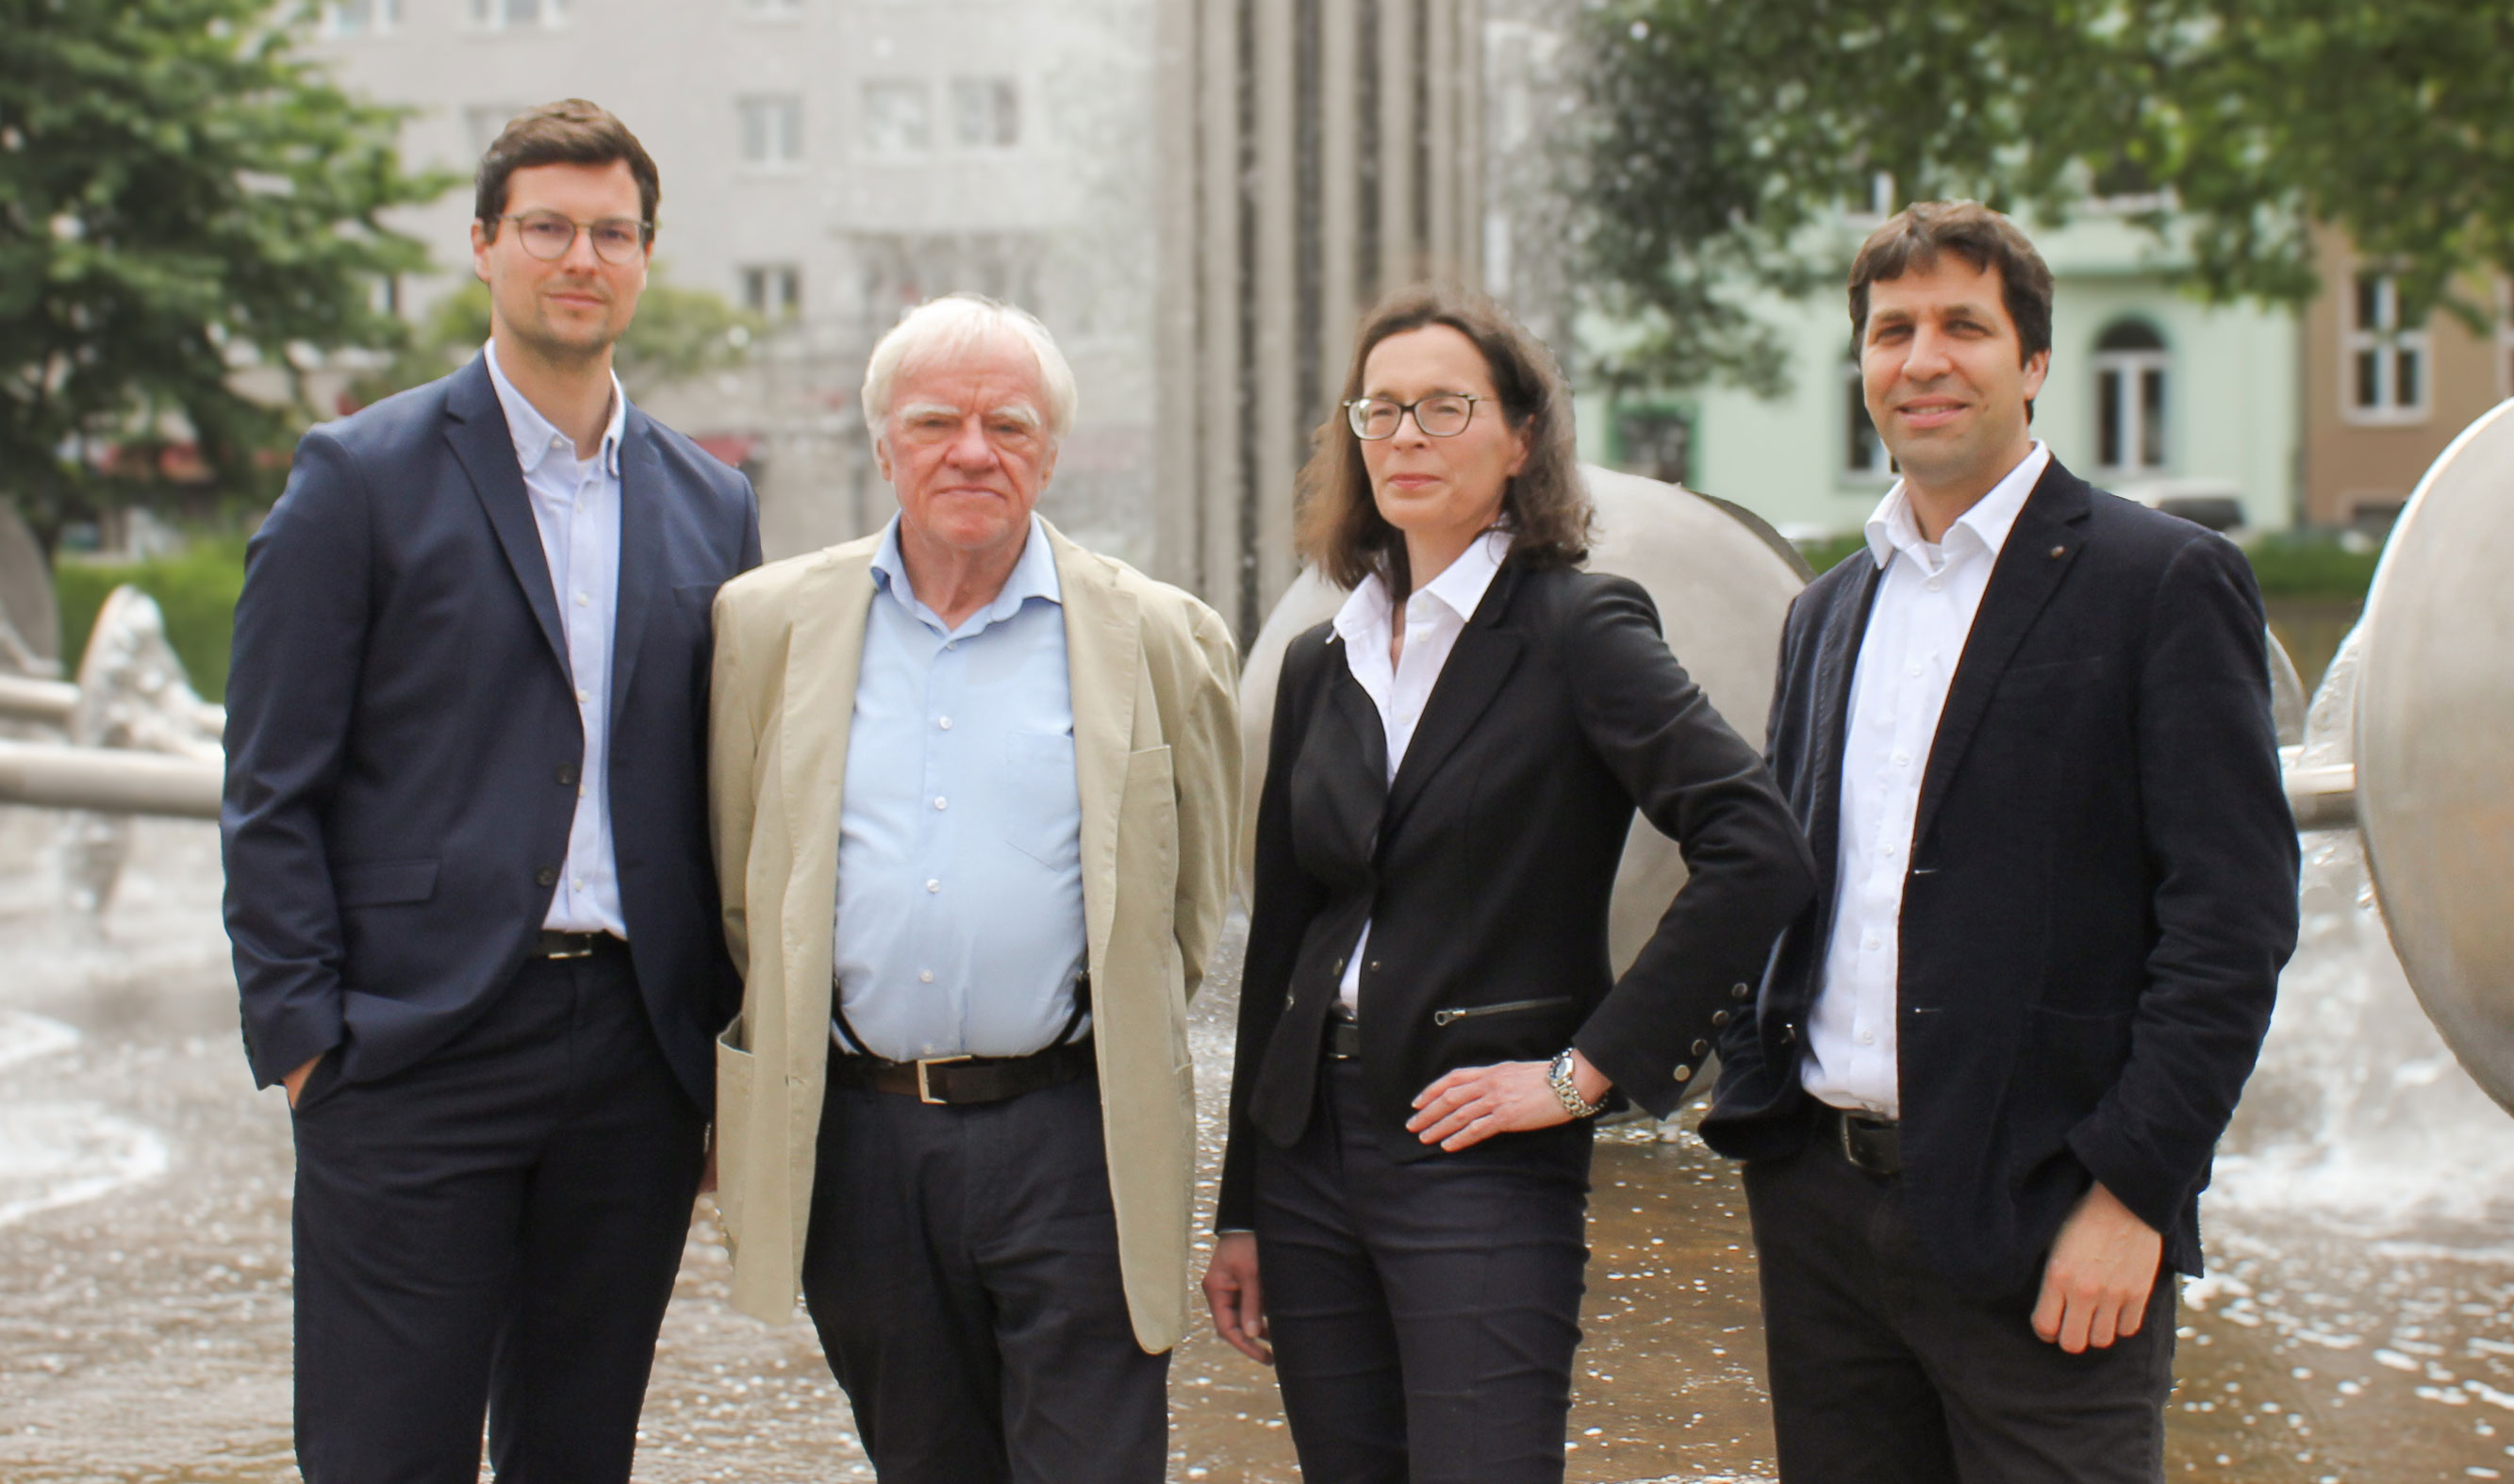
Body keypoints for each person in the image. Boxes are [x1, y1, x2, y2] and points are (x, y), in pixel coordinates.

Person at [1704, 201, 2300, 1481]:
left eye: (1961, 326)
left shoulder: (2160, 581)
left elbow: (2231, 922)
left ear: (2031, 363)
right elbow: (1797, 887)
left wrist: (2134, 1193)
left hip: (2049, 1219)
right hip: (1825, 1219)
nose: (1921, 359)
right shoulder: (1825, 611)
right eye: (1889, 330)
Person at [221, 99, 763, 1482]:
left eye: (611, 232)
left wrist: (712, 1052)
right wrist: (305, 1045)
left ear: (645, 259)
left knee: (576, 1453)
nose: (579, 256)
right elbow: (270, 784)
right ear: (482, 245)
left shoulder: (712, 506)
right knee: (384, 1451)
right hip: (410, 1053)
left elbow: (722, 790)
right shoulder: (359, 479)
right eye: (547, 228)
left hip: (632, 1061)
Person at [1201, 286, 1814, 1484]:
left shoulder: (1580, 627)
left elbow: (1758, 846)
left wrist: (1582, 1073)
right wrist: (1242, 1204)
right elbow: (1280, 944)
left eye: (1445, 406)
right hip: (1309, 1152)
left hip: (1476, 1151)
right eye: (1380, 410)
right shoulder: (1321, 661)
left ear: (1519, 439)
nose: (1407, 436)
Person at [707, 294, 1240, 1484]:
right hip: (863, 1138)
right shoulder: (766, 626)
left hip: (1076, 1134)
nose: (971, 450)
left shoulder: (1161, 635)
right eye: (935, 419)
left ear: (1048, 451)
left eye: (1007, 423)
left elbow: (1189, 907)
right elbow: (746, 886)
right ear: (882, 442)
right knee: (921, 1459)